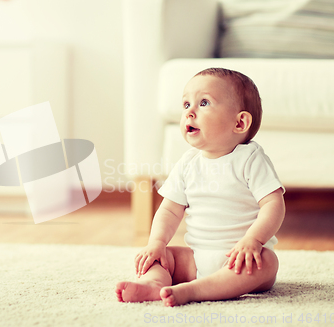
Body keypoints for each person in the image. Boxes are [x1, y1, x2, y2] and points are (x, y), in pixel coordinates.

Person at [115, 68, 286, 307]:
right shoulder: (188, 163)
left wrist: (254, 240)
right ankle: (154, 283)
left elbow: (273, 203)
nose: (189, 112)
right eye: (186, 104)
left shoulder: (250, 159)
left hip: (241, 258)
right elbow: (169, 210)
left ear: (240, 122)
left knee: (267, 263)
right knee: (163, 258)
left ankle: (195, 290)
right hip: (196, 258)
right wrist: (157, 243)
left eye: (203, 102)